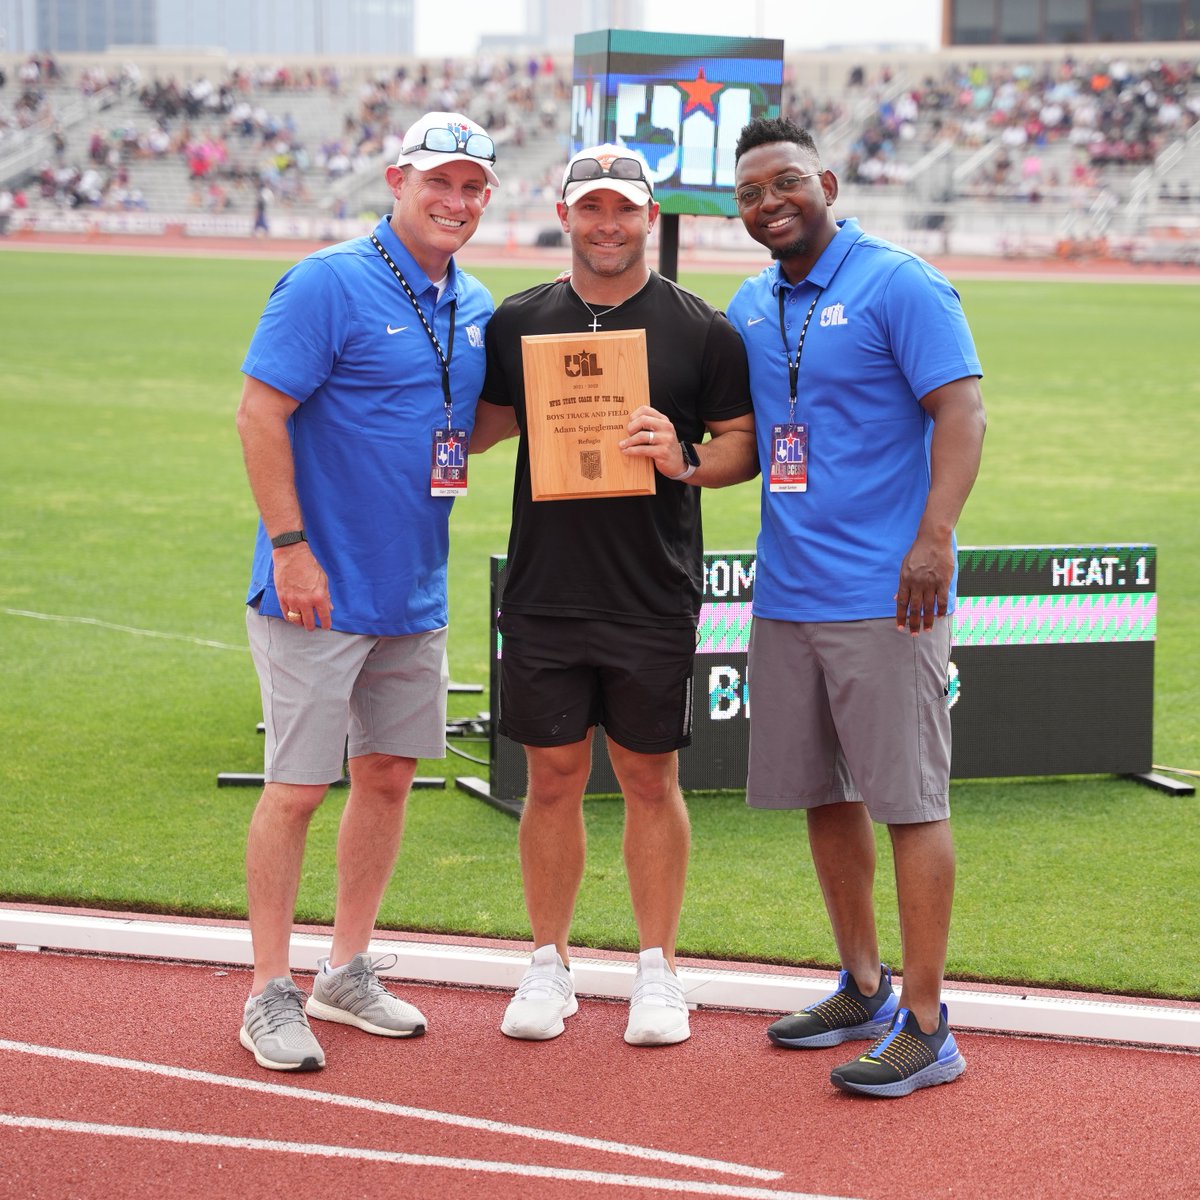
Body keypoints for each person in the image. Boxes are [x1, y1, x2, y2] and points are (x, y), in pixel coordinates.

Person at [234, 111, 500, 1072]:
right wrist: (291, 547)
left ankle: (345, 969)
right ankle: (268, 989)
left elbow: (470, 424)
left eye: (473, 186)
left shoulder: (475, 305)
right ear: (397, 179)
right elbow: (261, 412)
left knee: (388, 776)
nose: (455, 201)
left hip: (412, 589)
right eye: (440, 182)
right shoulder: (327, 281)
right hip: (316, 586)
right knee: (299, 786)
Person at [474, 144, 757, 1047]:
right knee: (550, 780)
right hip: (545, 591)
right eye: (591, 209)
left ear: (648, 216)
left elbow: (742, 443)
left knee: (648, 777)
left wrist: (683, 458)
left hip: (652, 592)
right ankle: (548, 964)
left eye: (624, 210)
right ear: (565, 213)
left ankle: (657, 971)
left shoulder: (700, 327)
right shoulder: (518, 322)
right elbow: (478, 426)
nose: (607, 226)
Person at [726, 116, 986, 1097]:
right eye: (751, 194)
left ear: (826, 182)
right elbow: (752, 443)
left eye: (785, 182)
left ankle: (928, 1025)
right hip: (787, 592)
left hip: (888, 594)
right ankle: (864, 982)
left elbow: (961, 411)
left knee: (910, 803)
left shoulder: (901, 282)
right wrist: (674, 459)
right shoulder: (752, 304)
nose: (769, 203)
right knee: (823, 796)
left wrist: (934, 537)